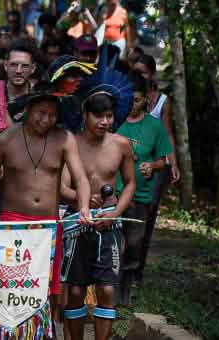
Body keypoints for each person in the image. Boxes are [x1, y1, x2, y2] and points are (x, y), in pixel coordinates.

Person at [0, 81, 92, 293]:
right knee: (12, 289)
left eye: (52, 115)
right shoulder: (6, 140)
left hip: (49, 226)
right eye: (41, 113)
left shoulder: (65, 139)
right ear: (28, 110)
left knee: (44, 290)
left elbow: (81, 178)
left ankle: (46, 327)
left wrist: (83, 207)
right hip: (12, 223)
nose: (46, 120)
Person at [59, 91, 136, 340]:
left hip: (108, 222)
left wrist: (115, 213)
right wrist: (79, 199)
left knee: (106, 290)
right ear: (85, 114)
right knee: (75, 291)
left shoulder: (121, 144)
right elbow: (62, 187)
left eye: (109, 116)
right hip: (77, 223)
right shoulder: (71, 143)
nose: (104, 122)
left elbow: (130, 184)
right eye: (98, 116)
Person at [115, 73, 172, 306]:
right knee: (111, 246)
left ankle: (125, 291)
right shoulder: (114, 121)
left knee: (134, 246)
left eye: (137, 100)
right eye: (129, 99)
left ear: (145, 101)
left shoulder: (155, 126)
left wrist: (153, 165)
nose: (132, 104)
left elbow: (164, 159)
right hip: (113, 194)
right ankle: (107, 293)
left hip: (140, 196)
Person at [131, 54, 179, 282]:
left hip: (156, 163)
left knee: (148, 214)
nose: (140, 75)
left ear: (151, 73)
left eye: (143, 71)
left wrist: (174, 162)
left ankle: (138, 268)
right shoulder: (128, 97)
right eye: (136, 70)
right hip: (131, 161)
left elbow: (168, 132)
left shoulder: (162, 101)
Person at [0, 40, 37, 134]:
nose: (18, 71)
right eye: (14, 65)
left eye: (25, 66)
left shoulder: (39, 96)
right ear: (5, 65)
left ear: (33, 68)